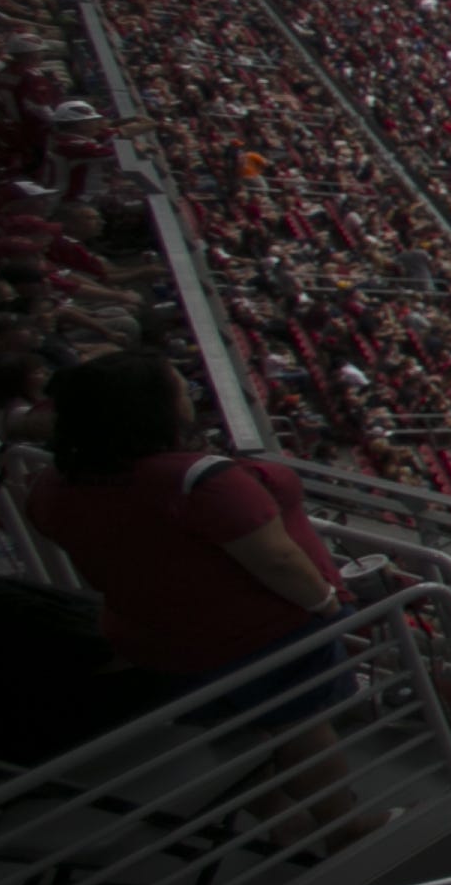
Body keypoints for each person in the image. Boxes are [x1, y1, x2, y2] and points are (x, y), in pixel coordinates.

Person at [25, 351, 373, 840]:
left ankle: (281, 823)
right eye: (177, 388)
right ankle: (344, 828)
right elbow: (277, 560)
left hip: (151, 637)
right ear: (148, 408)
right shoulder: (198, 481)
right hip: (253, 636)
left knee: (230, 732)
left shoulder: (53, 482)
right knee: (301, 727)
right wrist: (326, 605)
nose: (188, 393)